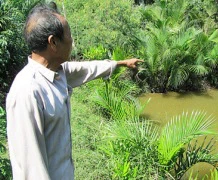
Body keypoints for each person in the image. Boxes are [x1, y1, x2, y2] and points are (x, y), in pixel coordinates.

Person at [6, 3, 142, 180]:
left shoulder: (57, 72)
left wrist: (121, 63)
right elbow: (31, 168)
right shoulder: (28, 91)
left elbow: (87, 69)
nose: (72, 41)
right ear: (53, 42)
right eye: (69, 35)